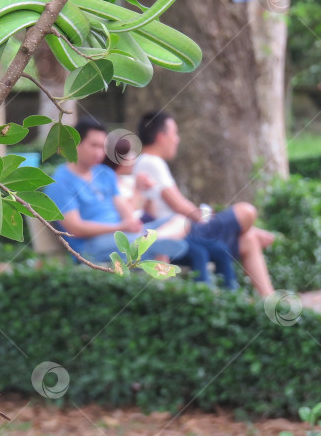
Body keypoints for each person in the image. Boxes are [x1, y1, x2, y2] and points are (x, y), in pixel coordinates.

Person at [134, 110, 274, 297]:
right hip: (183, 231)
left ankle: (269, 299)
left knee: (250, 239)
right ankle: (270, 301)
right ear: (161, 137)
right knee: (246, 212)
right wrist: (207, 218)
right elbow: (179, 205)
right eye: (174, 133)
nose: (177, 139)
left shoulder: (146, 162)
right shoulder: (151, 162)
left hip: (187, 230)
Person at [43, 117, 187, 265]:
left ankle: (154, 242)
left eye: (102, 147)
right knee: (145, 247)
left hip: (124, 235)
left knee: (182, 220)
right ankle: (154, 244)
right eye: (94, 145)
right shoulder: (60, 183)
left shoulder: (105, 173)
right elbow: (75, 228)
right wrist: (120, 227)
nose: (99, 152)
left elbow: (124, 209)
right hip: (91, 246)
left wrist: (131, 222)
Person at [102, 137, 237, 289]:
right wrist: (139, 191)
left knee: (220, 250)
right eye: (129, 153)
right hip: (141, 233)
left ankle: (230, 297)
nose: (134, 157)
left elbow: (148, 212)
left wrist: (149, 192)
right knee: (199, 252)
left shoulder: (129, 181)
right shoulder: (110, 184)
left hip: (158, 229)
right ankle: (204, 298)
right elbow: (127, 215)